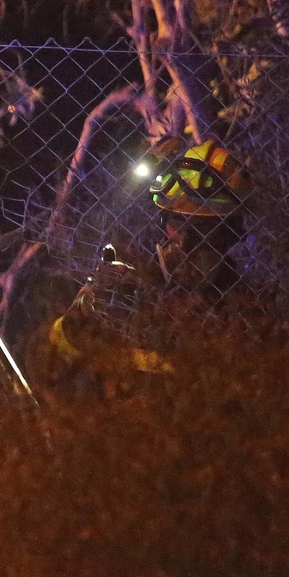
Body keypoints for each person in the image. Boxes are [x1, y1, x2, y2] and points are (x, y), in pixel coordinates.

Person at [39, 137, 255, 390]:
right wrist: (87, 308)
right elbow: (57, 357)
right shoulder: (137, 275)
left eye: (205, 230)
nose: (182, 242)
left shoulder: (238, 302)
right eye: (176, 223)